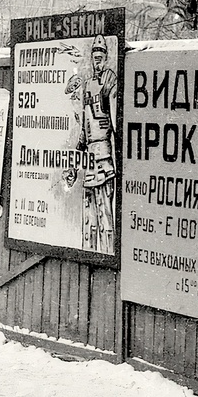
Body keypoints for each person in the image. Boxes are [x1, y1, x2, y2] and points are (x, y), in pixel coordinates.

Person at [64, 34, 118, 255]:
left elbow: (116, 124)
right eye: (94, 56)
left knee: (106, 222)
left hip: (104, 161)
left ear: (105, 57)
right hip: (89, 165)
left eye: (100, 56)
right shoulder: (87, 86)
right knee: (89, 225)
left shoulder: (110, 81)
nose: (97, 61)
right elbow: (83, 134)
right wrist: (74, 166)